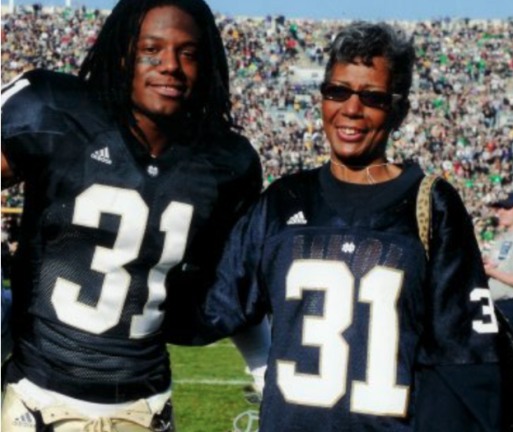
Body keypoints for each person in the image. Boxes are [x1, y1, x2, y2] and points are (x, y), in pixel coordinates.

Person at [203, 22, 503, 431]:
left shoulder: (432, 205)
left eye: (373, 97)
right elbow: (215, 305)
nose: (351, 109)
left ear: (399, 110)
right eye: (337, 91)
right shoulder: (283, 200)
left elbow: (466, 362)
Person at [1, 0, 269, 432]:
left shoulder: (227, 162)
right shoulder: (54, 109)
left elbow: (233, 285)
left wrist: (264, 370)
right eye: (152, 49)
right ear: (122, 53)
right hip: (35, 399)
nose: (170, 65)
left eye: (188, 52)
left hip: (144, 406)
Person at [485, 192, 513, 325]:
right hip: (494, 305)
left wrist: (491, 272)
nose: (500, 212)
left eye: (506, 208)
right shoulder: (501, 238)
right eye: (499, 208)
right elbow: (499, 265)